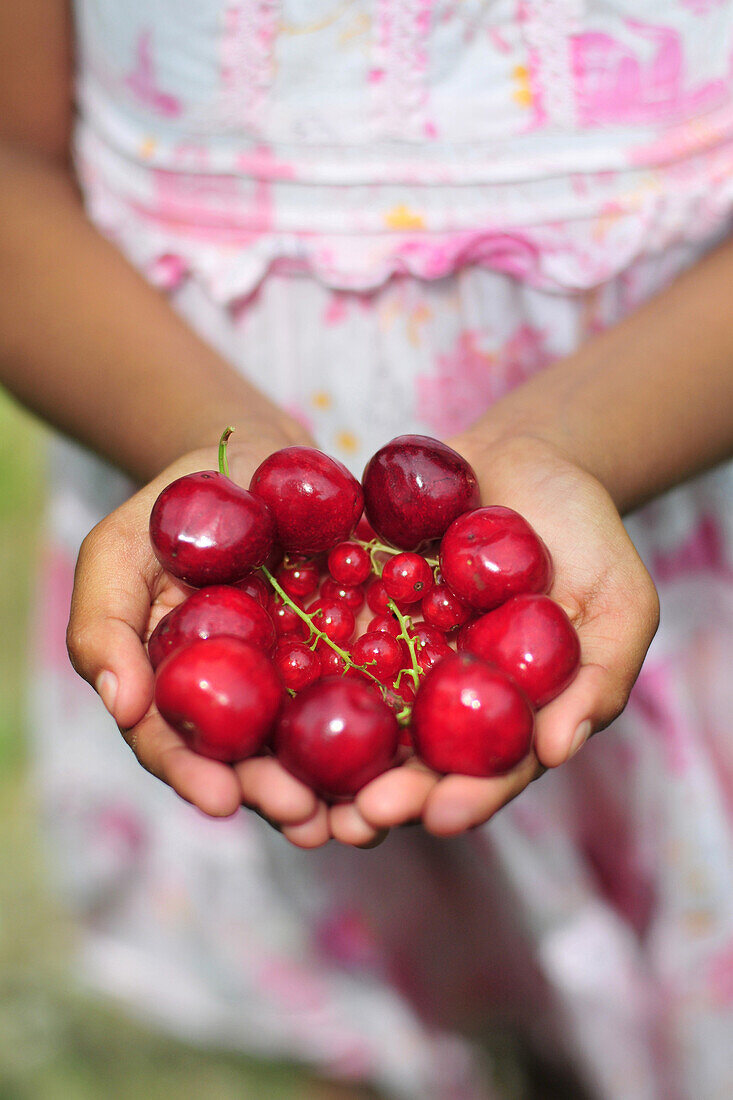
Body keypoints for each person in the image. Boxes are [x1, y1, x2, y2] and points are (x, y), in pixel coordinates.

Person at [2, 1, 732, 1097]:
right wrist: (197, 444)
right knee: (394, 971)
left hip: (670, 493)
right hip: (182, 401)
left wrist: (569, 444)